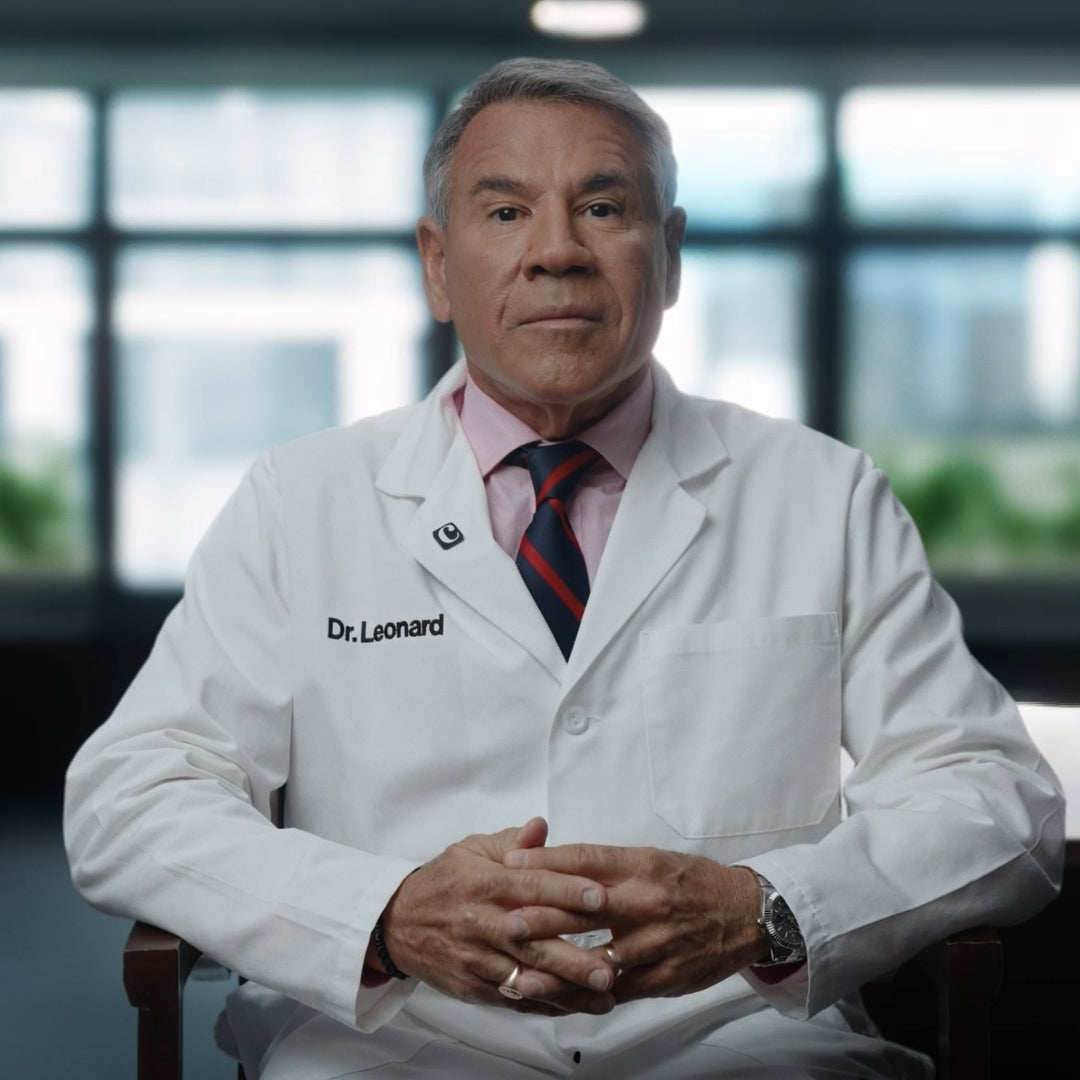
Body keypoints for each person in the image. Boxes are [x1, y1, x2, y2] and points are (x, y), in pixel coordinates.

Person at [64, 57, 1065, 1079]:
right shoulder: (299, 502)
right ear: (437, 265)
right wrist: (384, 915)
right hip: (394, 1043)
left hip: (738, 1041)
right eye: (504, 214)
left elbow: (997, 797)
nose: (556, 253)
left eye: (601, 207)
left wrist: (765, 909)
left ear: (668, 257)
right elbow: (129, 798)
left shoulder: (823, 494)